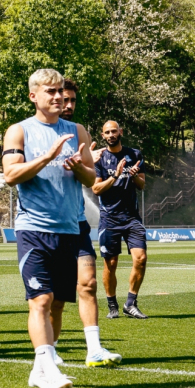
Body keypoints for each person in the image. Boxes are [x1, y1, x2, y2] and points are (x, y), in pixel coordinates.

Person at [3, 68, 97, 388]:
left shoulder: (77, 130)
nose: (57, 97)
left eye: (60, 91)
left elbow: (92, 181)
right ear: (34, 96)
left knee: (57, 303)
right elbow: (11, 175)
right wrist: (47, 157)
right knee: (40, 300)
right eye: (50, 92)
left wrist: (79, 167)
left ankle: (41, 367)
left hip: (69, 229)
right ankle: (48, 368)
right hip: (33, 229)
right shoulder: (19, 132)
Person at [60, 79, 120, 367]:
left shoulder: (77, 132)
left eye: (72, 100)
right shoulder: (29, 132)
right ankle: (49, 350)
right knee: (53, 297)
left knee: (88, 283)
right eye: (64, 99)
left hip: (77, 220)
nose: (69, 105)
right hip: (45, 225)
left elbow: (91, 179)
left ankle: (94, 349)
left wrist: (86, 163)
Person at [91, 120, 149, 320]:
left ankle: (131, 303)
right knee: (111, 263)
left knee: (140, 259)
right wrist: (115, 176)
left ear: (121, 132)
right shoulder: (99, 158)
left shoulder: (134, 154)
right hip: (109, 218)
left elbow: (142, 185)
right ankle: (112, 304)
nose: (111, 134)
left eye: (114, 131)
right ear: (102, 135)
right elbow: (96, 189)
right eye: (107, 132)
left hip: (132, 217)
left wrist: (133, 176)